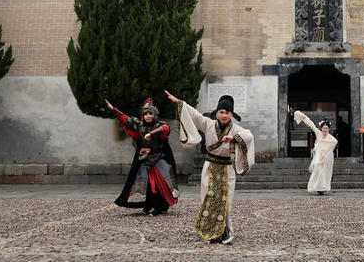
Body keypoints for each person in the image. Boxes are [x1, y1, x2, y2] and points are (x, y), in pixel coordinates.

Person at [165, 90, 254, 245]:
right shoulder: (208, 124)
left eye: (227, 112)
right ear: (217, 112)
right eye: (221, 112)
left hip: (227, 169)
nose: (224, 115)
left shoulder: (236, 129)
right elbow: (193, 114)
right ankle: (211, 231)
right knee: (208, 198)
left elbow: (249, 136)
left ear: (232, 114)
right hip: (211, 166)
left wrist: (233, 139)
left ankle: (225, 231)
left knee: (226, 201)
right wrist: (179, 102)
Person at [105, 98, 179, 216]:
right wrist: (113, 110)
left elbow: (165, 129)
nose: (148, 116)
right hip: (144, 160)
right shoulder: (139, 127)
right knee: (145, 184)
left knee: (158, 185)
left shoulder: (160, 125)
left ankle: (159, 206)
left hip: (158, 160)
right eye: (145, 114)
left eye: (150, 114)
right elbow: (126, 120)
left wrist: (151, 133)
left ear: (154, 115)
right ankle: (149, 203)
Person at [293, 111, 338, 195]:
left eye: (326, 128)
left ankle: (322, 188)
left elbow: (335, 142)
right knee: (317, 170)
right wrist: (303, 117)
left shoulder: (331, 138)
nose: (325, 130)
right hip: (318, 156)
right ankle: (313, 187)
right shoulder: (318, 133)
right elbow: (311, 125)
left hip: (326, 157)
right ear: (321, 128)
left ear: (329, 129)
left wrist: (326, 152)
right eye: (324, 128)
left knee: (324, 173)